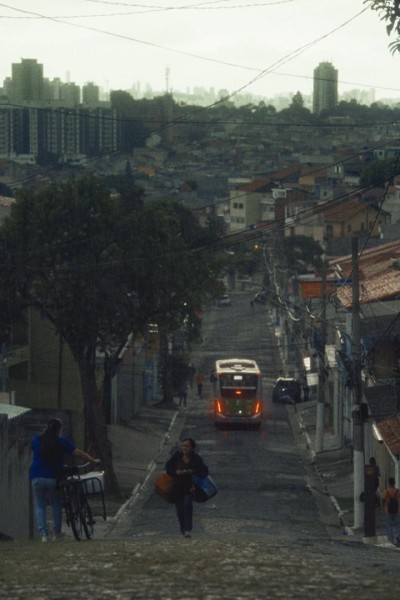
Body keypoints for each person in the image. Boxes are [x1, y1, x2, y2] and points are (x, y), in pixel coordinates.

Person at [29, 417, 101, 542]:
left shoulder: (36, 440)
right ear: (59, 430)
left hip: (36, 477)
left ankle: (43, 535)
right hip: (53, 478)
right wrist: (93, 460)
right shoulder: (60, 441)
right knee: (56, 504)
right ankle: (57, 534)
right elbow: (78, 453)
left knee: (40, 506)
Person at [165, 438, 208, 538]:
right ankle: (183, 529)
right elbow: (168, 467)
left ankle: (188, 529)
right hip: (177, 487)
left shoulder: (196, 458)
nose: (184, 448)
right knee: (180, 509)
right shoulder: (177, 456)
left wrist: (192, 472)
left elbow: (204, 471)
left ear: (192, 448)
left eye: (187, 446)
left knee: (188, 505)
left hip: (190, 487)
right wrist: (176, 472)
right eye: (183, 445)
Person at [380, 477, 400, 545]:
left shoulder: (386, 491)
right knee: (398, 524)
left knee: (388, 525)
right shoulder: (398, 491)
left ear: (389, 483)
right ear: (394, 483)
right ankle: (398, 537)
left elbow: (383, 499)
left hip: (388, 511)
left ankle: (390, 539)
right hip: (397, 510)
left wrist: (382, 507)